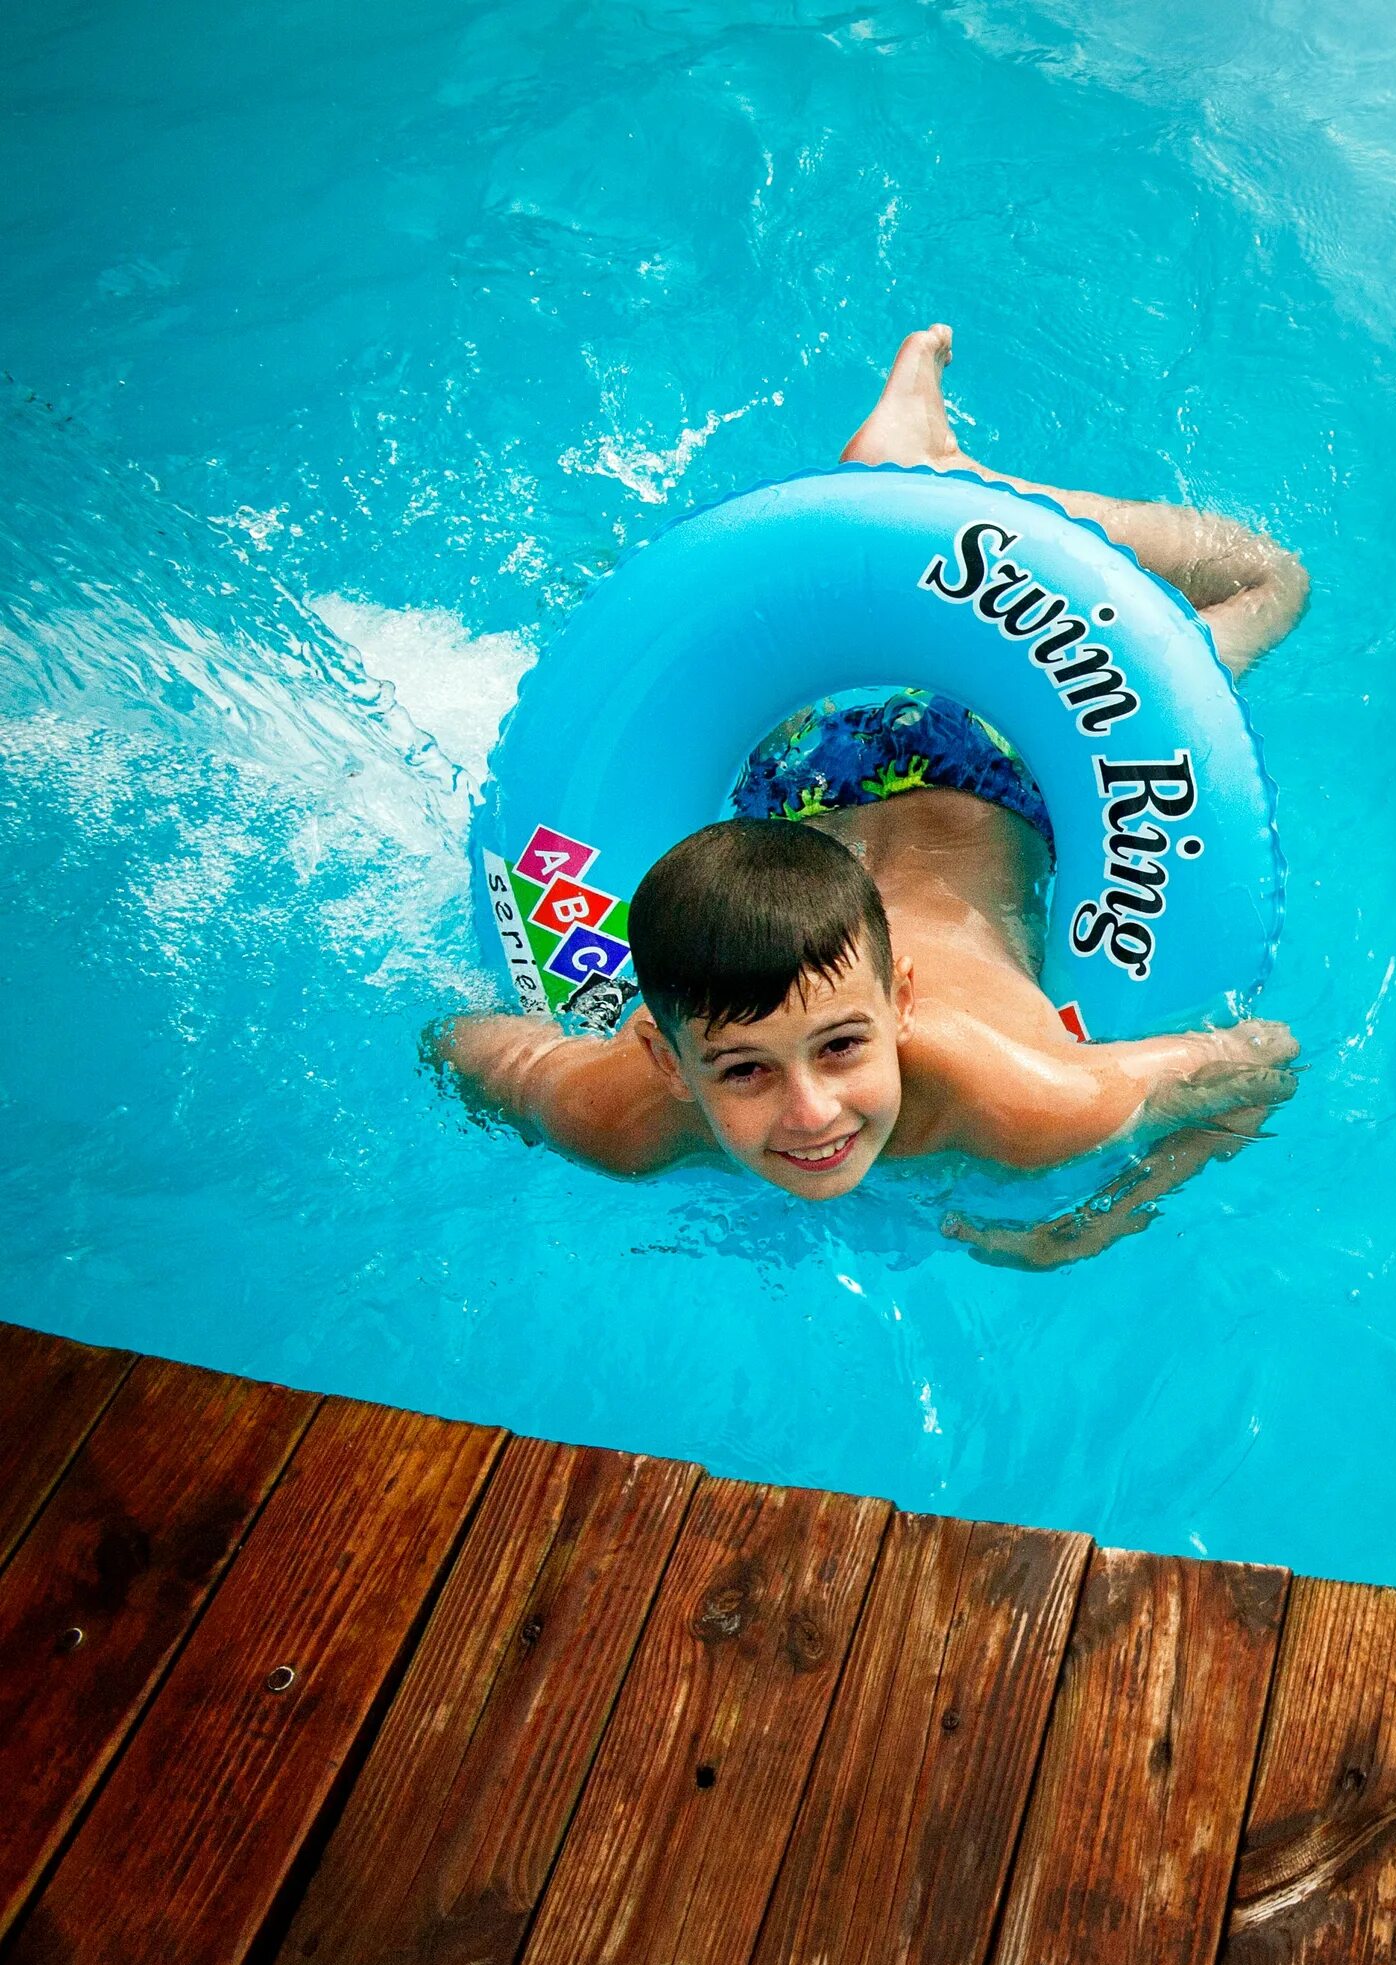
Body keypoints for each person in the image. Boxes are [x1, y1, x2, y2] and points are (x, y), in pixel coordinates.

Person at [431, 326, 1306, 1270]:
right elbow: (464, 1045)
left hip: (991, 769)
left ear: (900, 1003)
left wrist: (1097, 1221)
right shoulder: (616, 1115)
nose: (812, 1113)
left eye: (843, 1047)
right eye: (743, 1069)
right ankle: (904, 485)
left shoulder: (1034, 1099)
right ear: (663, 1060)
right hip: (797, 789)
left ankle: (958, 490)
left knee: (1271, 581)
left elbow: (1263, 1062)